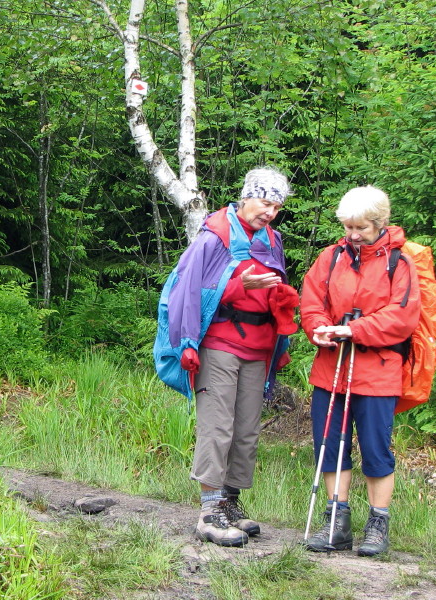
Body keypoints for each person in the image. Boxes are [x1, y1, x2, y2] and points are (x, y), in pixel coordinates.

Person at [156, 167, 299, 547]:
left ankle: (231, 501)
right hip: (219, 343)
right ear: (247, 196)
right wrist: (186, 342)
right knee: (217, 428)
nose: (270, 212)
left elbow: (274, 289)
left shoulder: (272, 239)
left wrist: (281, 310)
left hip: (258, 347)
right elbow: (188, 290)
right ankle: (208, 511)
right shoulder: (214, 236)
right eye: (265, 203)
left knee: (246, 431)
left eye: (277, 207)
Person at [299, 185, 421, 556]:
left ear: (381, 222)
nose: (353, 235)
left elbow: (402, 318)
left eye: (361, 228)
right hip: (331, 368)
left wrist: (353, 329)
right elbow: (311, 299)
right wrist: (319, 328)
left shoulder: (399, 264)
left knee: (375, 449)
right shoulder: (331, 257)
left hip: (378, 371)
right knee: (330, 445)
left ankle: (378, 523)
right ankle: (336, 519)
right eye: (348, 227)